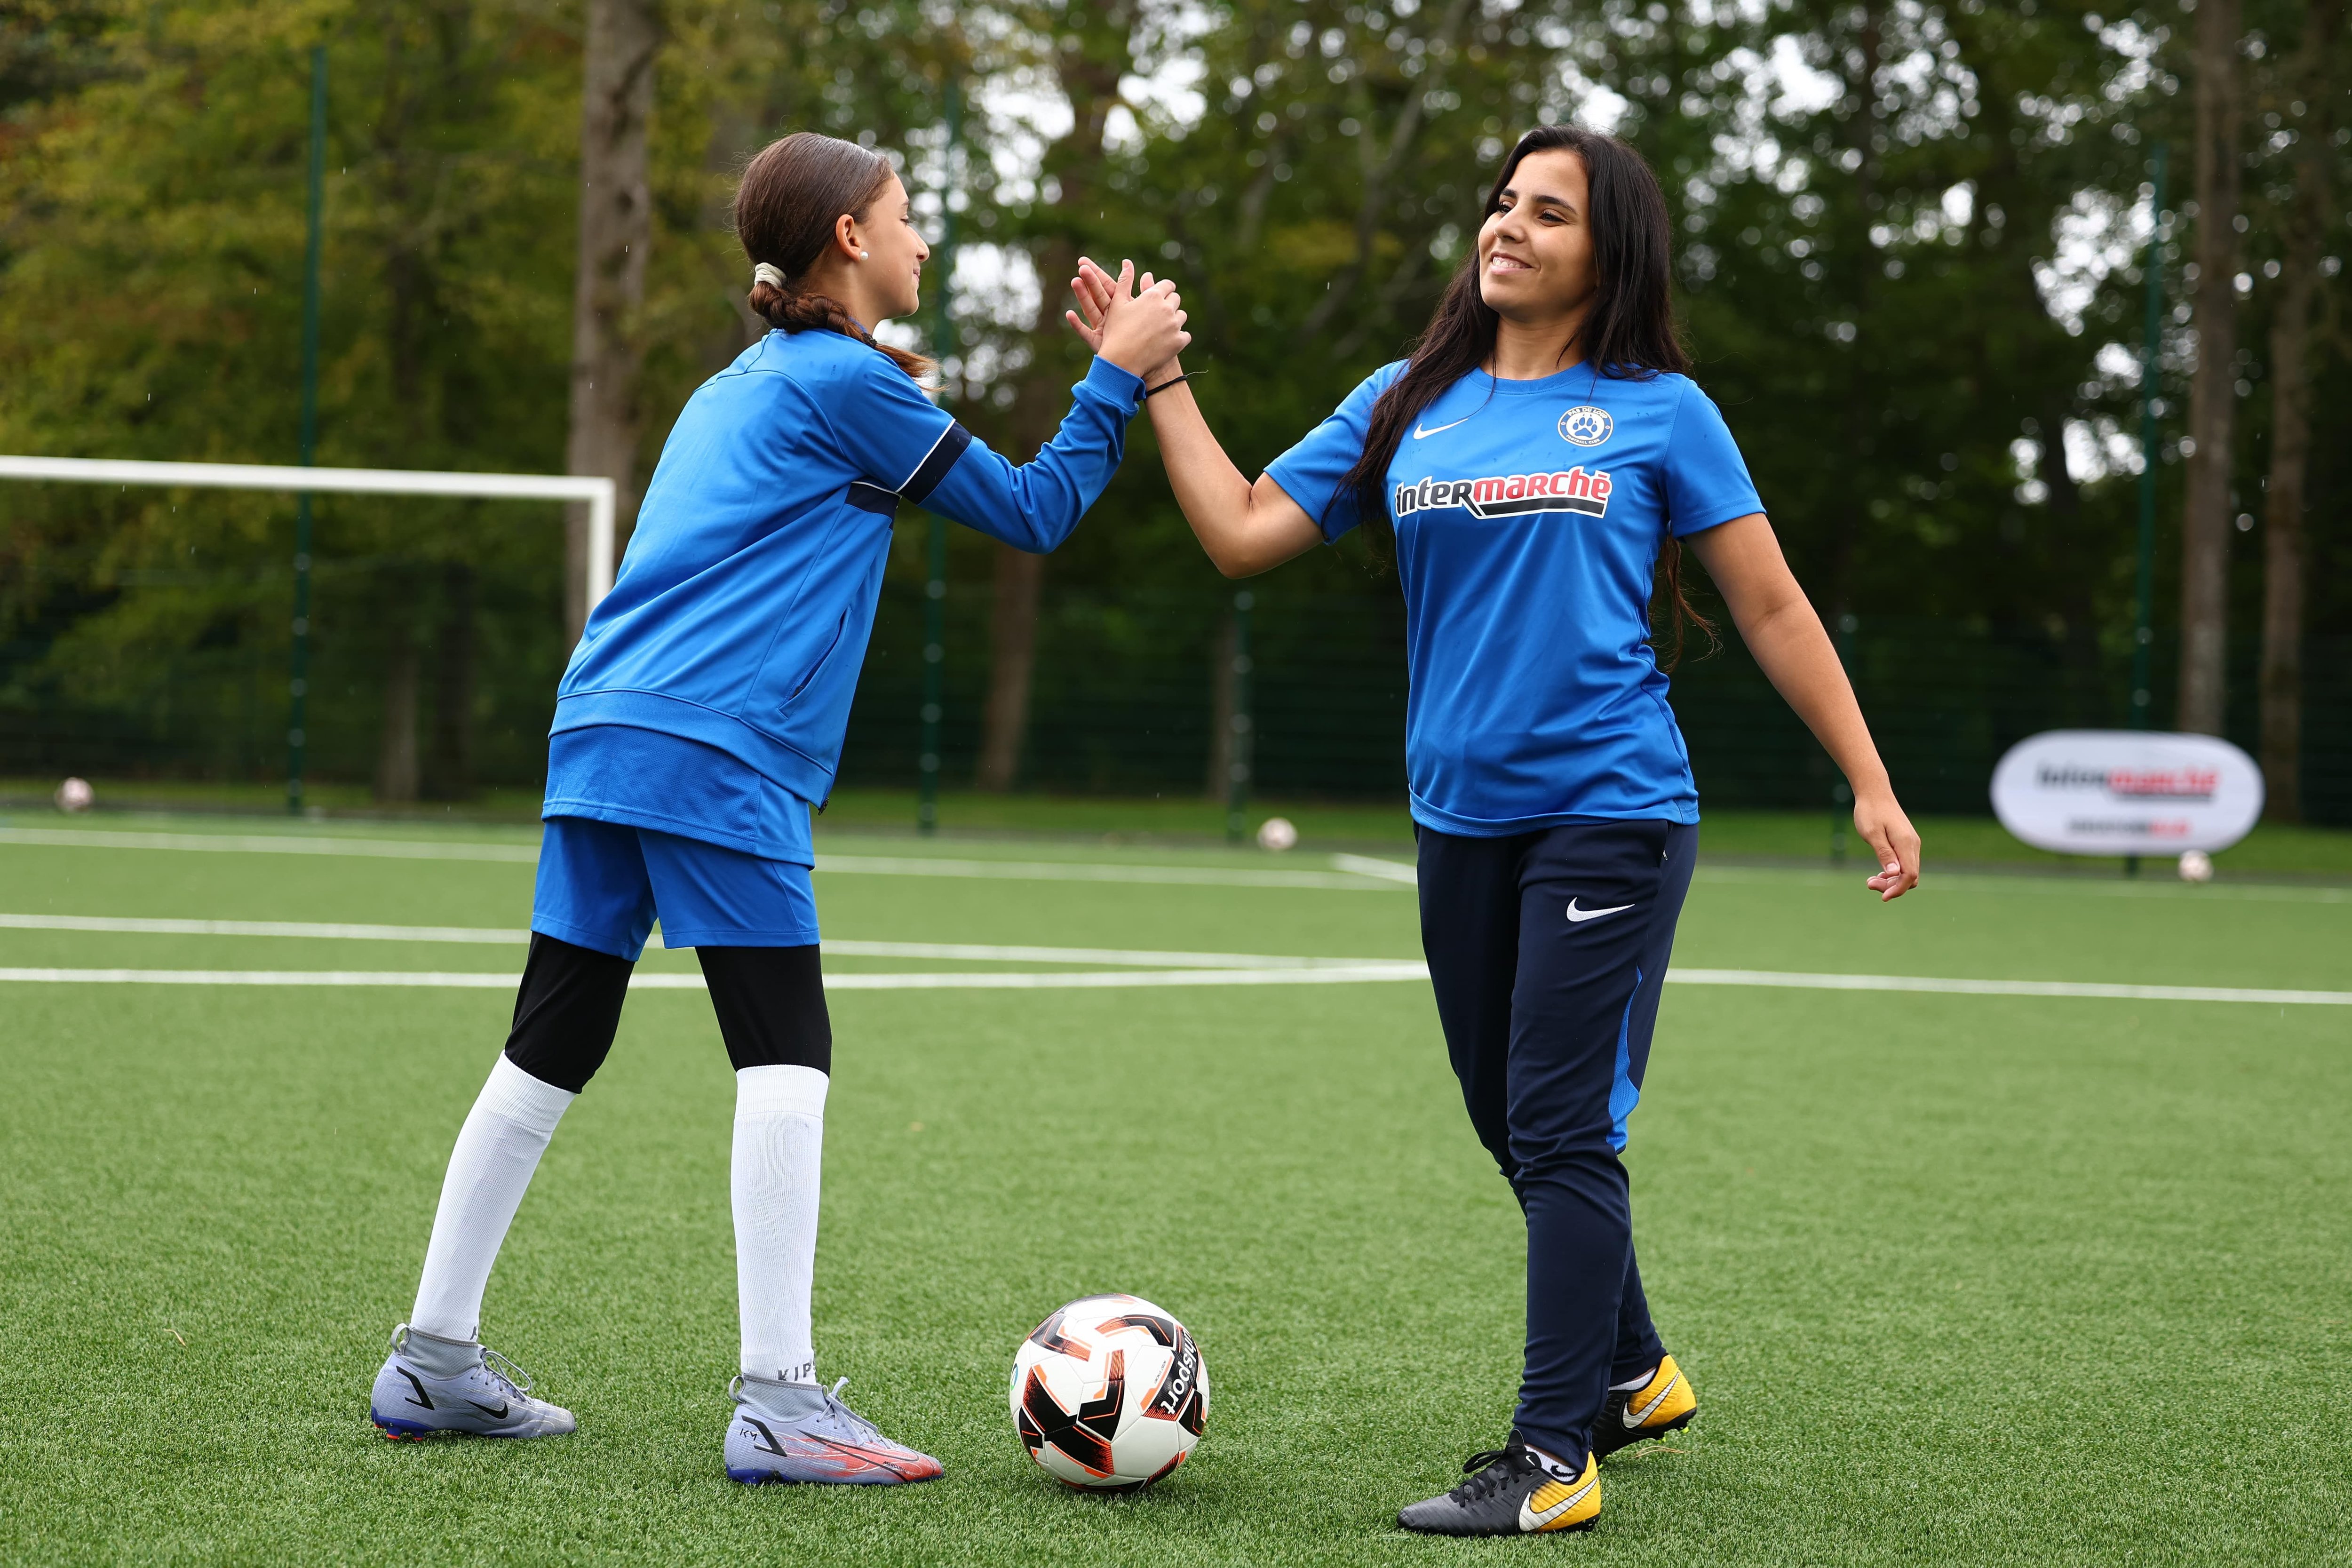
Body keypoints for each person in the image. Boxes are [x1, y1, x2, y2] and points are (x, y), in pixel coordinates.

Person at [1072, 123, 1921, 1535]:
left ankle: (1553, 1455)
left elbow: (1770, 606)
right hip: (1457, 821)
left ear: (1611, 252)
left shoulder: (1659, 411)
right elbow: (1236, 531)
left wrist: (1870, 779)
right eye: (1502, 202)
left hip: (1613, 810)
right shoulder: (1409, 403)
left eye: (1551, 211)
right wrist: (1156, 377)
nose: (1509, 226)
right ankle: (1636, 1368)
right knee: (1511, 1121)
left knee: (1557, 1120)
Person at [366, 131, 1190, 1486]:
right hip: (711, 748)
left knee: (553, 1040)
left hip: (603, 730)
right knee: (785, 1053)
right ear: (850, 239)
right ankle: (778, 1401)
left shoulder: (743, 382)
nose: (924, 238)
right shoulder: (842, 382)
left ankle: (433, 1360)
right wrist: (1121, 373)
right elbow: (1038, 514)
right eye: (908, 215)